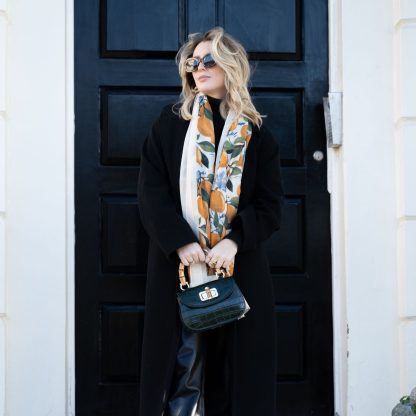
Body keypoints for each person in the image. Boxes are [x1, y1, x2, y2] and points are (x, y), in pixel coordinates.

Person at [137, 27, 284, 416]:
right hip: (181, 267)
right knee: (183, 367)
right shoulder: (170, 125)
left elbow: (271, 206)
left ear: (230, 66)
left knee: (237, 373)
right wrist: (181, 242)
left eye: (208, 60)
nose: (198, 67)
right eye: (193, 62)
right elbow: (150, 194)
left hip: (239, 266)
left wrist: (234, 241)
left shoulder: (256, 135)